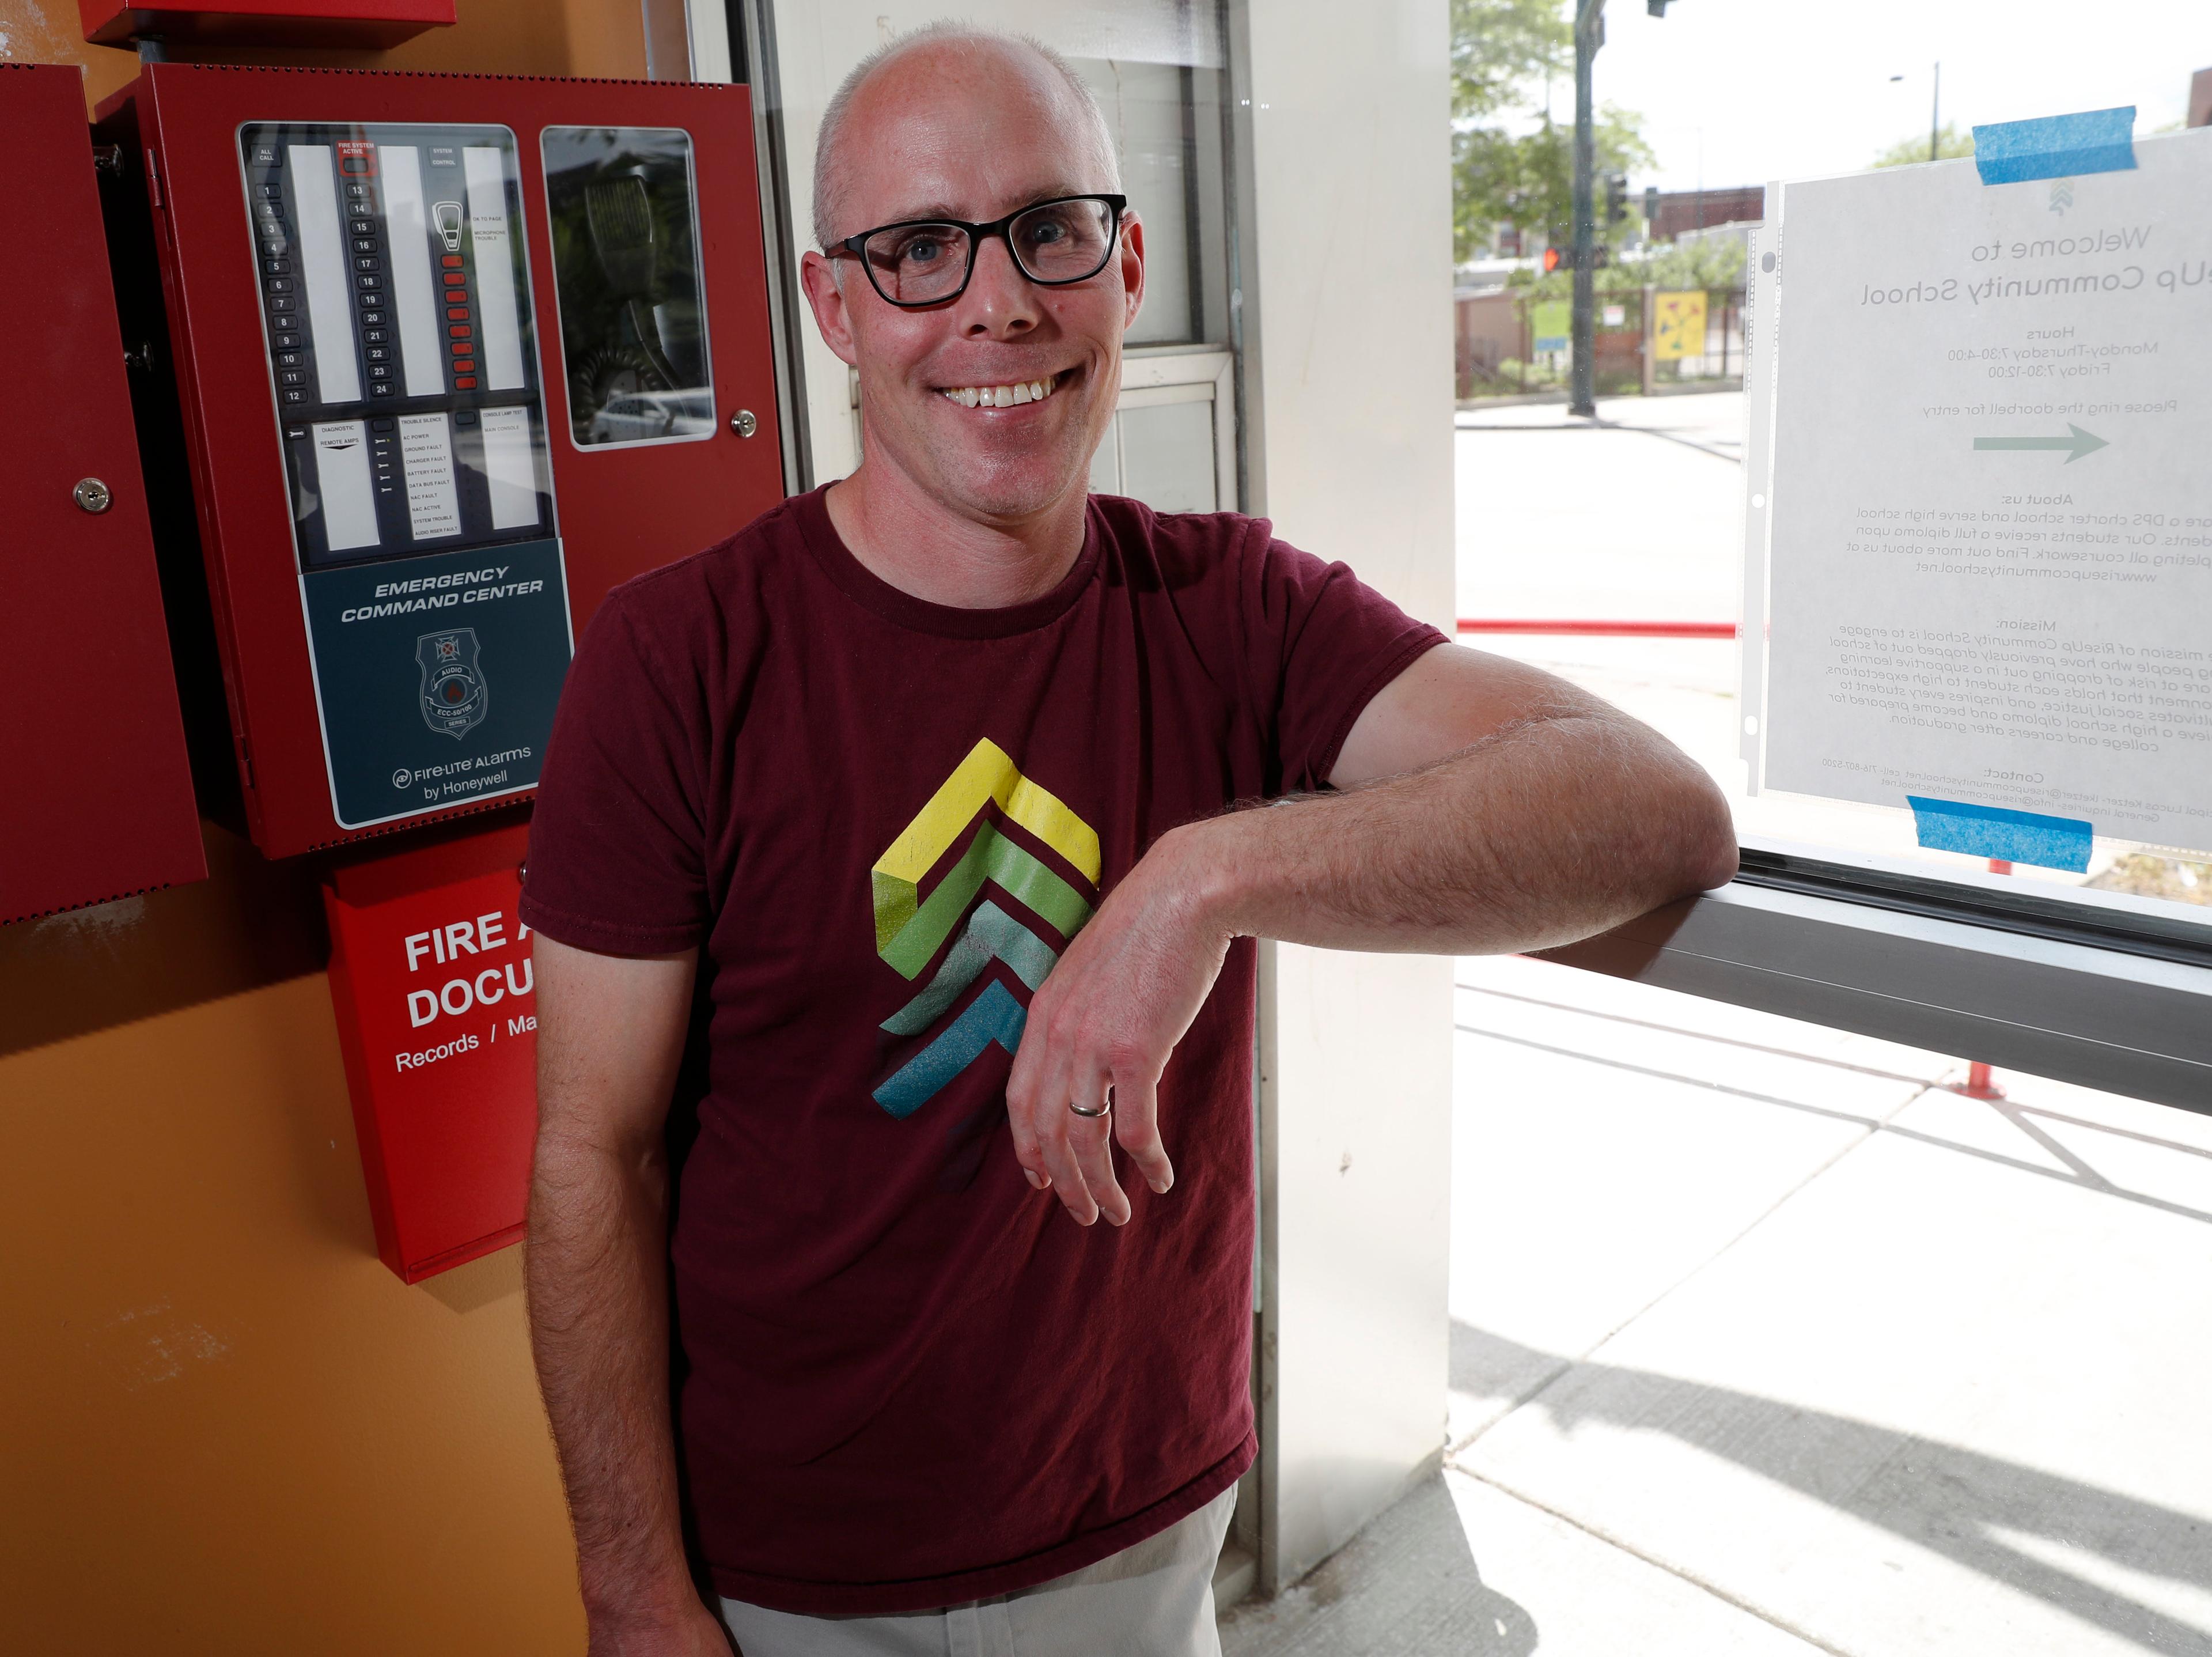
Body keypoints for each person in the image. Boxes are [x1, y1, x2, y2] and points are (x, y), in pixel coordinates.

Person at [518, 22, 1736, 1657]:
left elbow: (1652, 805)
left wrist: (1204, 879)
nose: (998, 301)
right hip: (789, 1571)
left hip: (1146, 1536)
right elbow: (592, 1161)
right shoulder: (677, 662)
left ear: (1127, 261)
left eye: (1050, 229)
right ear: (833, 309)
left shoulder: (1228, 607)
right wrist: (630, 1587)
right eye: (917, 250)